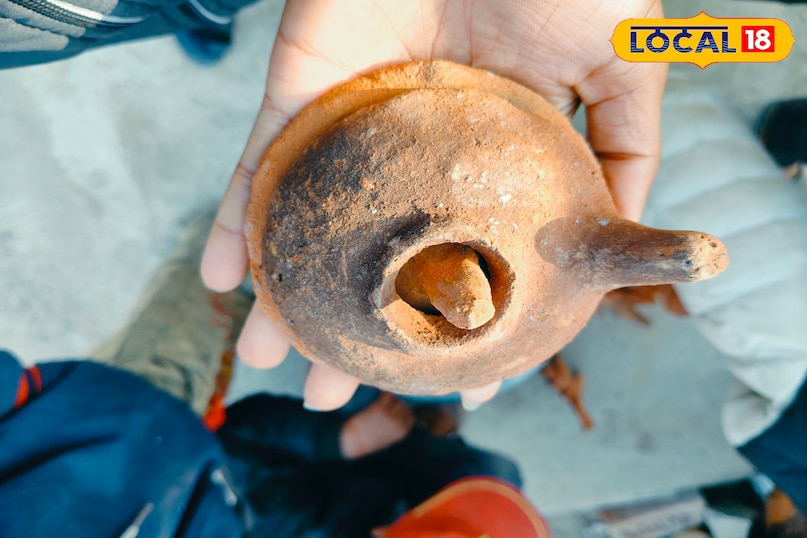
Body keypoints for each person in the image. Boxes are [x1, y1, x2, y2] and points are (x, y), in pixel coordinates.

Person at [0, 212, 545, 537]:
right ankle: (432, 412)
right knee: (496, 426)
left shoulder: (266, 516)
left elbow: (241, 436)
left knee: (206, 291)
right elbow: (488, 488)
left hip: (130, 422)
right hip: (182, 455)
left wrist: (338, 440)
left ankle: (220, 252)